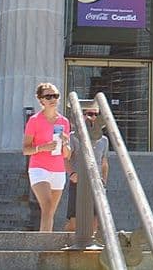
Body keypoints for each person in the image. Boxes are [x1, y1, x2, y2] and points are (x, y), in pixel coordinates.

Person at [23, 82, 71, 232]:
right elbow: (25, 149)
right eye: (48, 96)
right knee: (48, 206)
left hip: (58, 170)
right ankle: (44, 243)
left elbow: (67, 154)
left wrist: (64, 143)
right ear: (41, 100)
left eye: (55, 96)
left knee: (50, 212)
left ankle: (45, 242)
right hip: (39, 168)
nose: (53, 99)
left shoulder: (64, 122)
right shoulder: (34, 120)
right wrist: (41, 147)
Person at [64, 101, 110, 233]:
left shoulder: (104, 140)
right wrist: (72, 174)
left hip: (96, 182)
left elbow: (104, 162)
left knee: (95, 220)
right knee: (74, 221)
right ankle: (64, 241)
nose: (94, 117)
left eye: (96, 114)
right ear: (82, 115)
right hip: (78, 181)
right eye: (90, 114)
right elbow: (66, 158)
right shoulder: (73, 137)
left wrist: (104, 181)